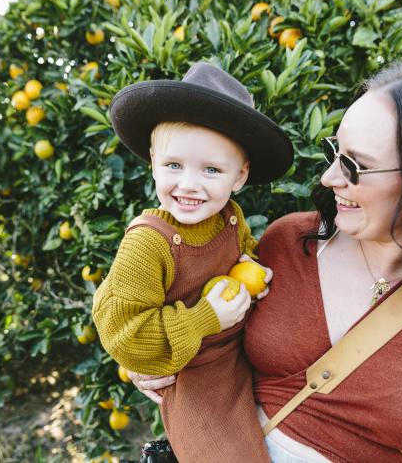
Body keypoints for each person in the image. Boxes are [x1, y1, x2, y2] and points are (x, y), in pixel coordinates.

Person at [129, 58, 402, 462]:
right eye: (335, 152)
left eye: (356, 165)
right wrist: (151, 362)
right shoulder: (290, 241)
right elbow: (197, 318)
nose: (329, 177)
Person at [92, 62, 293, 462]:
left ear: (239, 176)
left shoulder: (229, 218)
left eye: (212, 170)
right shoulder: (148, 245)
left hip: (242, 359)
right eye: (173, 166)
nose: (188, 185)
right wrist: (205, 317)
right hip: (195, 380)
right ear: (152, 162)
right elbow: (125, 334)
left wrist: (255, 272)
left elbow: (244, 253)